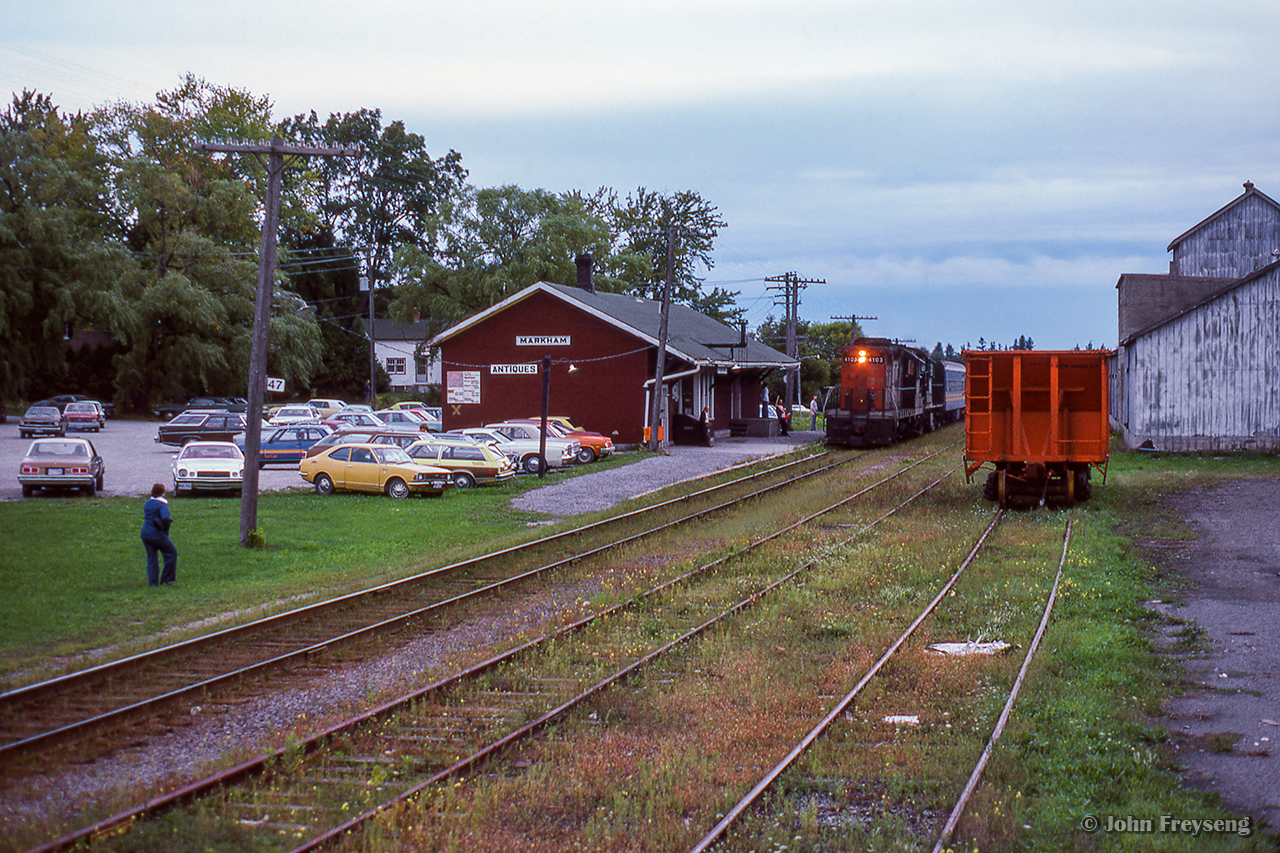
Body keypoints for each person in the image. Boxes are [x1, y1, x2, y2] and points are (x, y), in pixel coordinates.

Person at [141, 483, 177, 586]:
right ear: (163, 493)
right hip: (157, 534)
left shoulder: (148, 503)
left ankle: (152, 583)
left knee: (152, 558)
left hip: (145, 534)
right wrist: (165, 530)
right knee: (171, 552)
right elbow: (165, 518)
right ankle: (167, 579)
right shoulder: (162, 504)